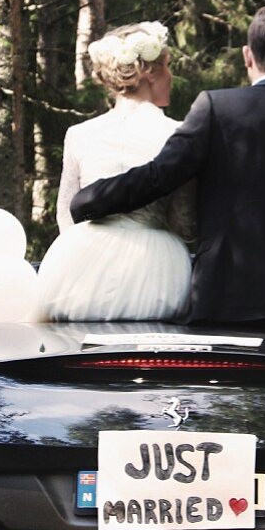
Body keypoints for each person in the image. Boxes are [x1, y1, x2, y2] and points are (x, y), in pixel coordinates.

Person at [71, 5, 265, 331]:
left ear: (247, 55)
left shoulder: (216, 107)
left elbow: (160, 176)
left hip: (228, 296)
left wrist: (92, 198)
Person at [39, 21, 194, 321]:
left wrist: (77, 263)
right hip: (157, 267)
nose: (171, 76)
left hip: (82, 269)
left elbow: (66, 213)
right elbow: (184, 219)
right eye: (167, 66)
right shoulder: (178, 133)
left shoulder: (80, 133)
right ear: (150, 72)